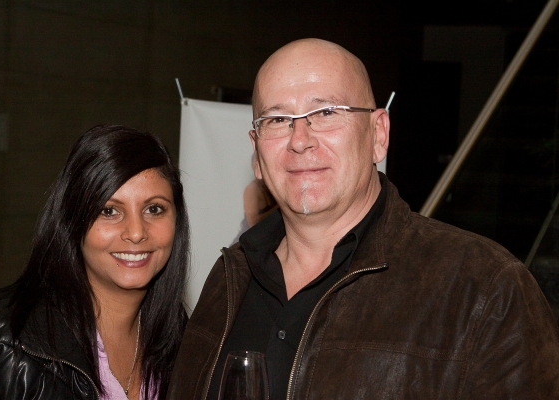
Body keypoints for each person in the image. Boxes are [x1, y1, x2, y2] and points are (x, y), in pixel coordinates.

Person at [167, 39, 559, 399]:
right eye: (278, 119)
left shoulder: (486, 289)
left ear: (378, 135)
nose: (299, 139)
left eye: (325, 112)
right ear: (256, 153)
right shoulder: (228, 279)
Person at [0, 125, 190, 399]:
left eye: (154, 209)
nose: (136, 232)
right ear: (72, 221)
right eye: (109, 211)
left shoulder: (186, 341)